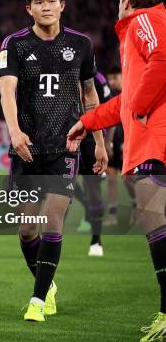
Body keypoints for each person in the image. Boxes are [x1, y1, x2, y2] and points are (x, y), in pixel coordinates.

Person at [0, 0, 107, 323]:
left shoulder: (81, 44)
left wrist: (99, 141)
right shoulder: (14, 44)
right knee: (27, 229)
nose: (46, 6)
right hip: (28, 146)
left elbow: (90, 96)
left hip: (67, 145)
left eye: (51, 0)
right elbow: (7, 91)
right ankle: (48, 284)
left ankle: (38, 300)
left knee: (52, 217)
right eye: (38, 2)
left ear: (62, 5)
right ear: (28, 9)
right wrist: (14, 132)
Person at [66, 0, 166, 342]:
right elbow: (126, 102)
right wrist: (87, 121)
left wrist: (139, 107)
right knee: (155, 222)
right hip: (150, 138)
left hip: (155, 141)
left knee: (156, 222)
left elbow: (163, 59)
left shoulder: (144, 21)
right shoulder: (141, 29)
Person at [74, 71, 112, 257]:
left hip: (90, 139)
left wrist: (106, 143)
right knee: (63, 187)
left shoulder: (98, 79)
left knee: (94, 191)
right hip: (65, 136)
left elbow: (110, 110)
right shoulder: (61, 67)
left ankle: (96, 240)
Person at [103, 67, 137, 226]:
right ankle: (112, 215)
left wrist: (130, 141)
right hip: (112, 143)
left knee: (128, 180)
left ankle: (137, 209)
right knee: (111, 179)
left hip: (128, 143)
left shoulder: (132, 93)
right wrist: (106, 142)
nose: (111, 81)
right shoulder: (110, 96)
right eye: (109, 78)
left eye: (115, 77)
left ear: (124, 76)